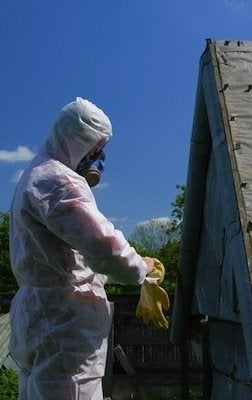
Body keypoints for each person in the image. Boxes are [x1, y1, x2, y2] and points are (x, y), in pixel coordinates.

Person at [8, 97, 154, 400]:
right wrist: (141, 267)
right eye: (95, 149)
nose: (98, 158)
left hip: (41, 320)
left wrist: (118, 272)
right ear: (77, 141)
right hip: (63, 329)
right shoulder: (60, 181)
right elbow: (108, 251)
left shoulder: (35, 175)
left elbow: (71, 262)